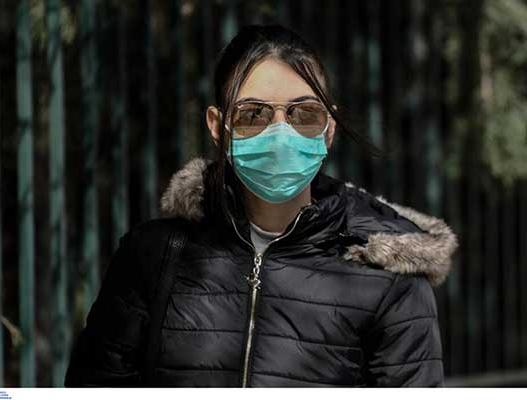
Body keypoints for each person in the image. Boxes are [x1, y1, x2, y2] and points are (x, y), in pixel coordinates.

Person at [64, 24, 458, 388]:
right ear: (218, 126)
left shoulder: (388, 277)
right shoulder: (155, 256)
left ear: (329, 127)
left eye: (304, 114)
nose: (280, 134)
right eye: (253, 114)